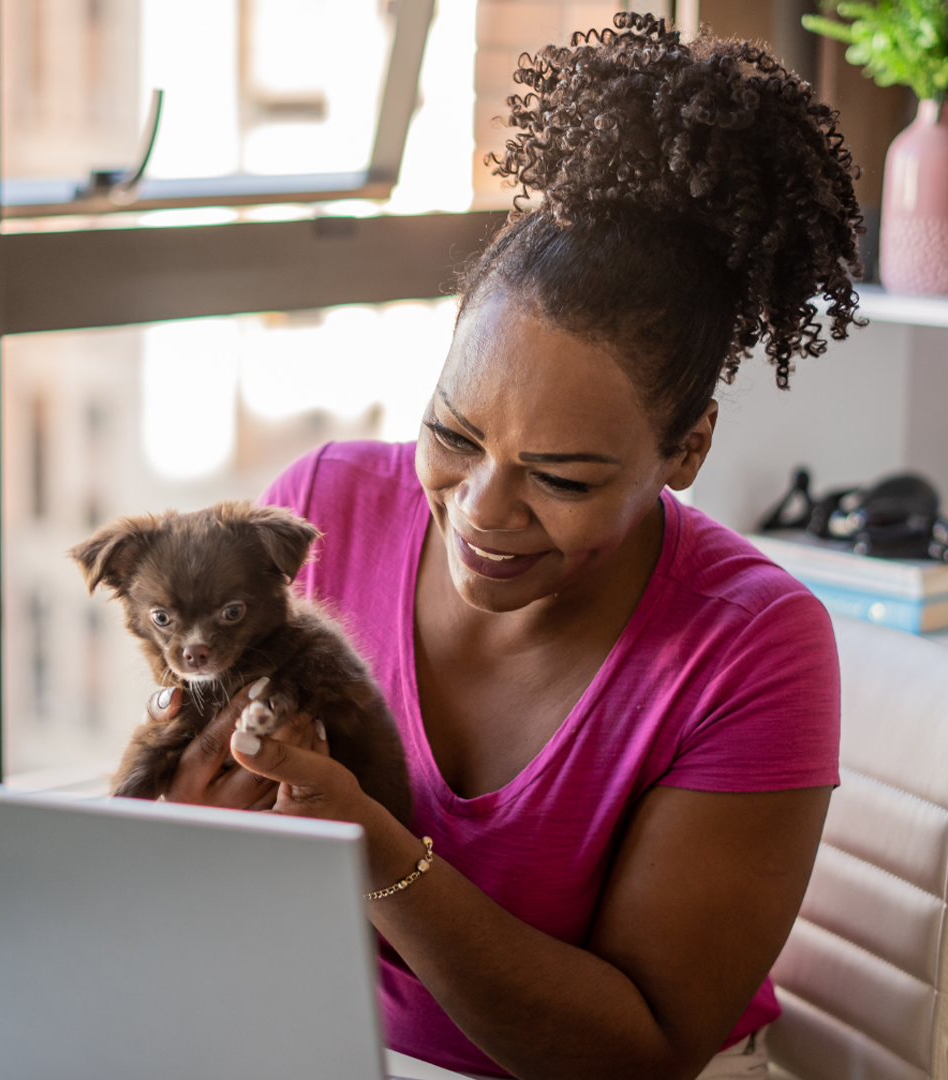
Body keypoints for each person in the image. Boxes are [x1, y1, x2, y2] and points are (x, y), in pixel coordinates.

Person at [145, 14, 863, 1079]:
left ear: (686, 450)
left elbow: (640, 1054)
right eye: (453, 434)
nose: (481, 511)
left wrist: (372, 848)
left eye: (562, 478)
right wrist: (195, 818)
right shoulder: (320, 512)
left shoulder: (752, 650)